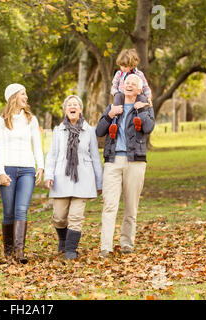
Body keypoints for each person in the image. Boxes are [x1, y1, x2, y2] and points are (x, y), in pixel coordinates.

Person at [96, 74, 155, 258]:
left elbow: (148, 128)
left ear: (139, 90)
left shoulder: (145, 107)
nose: (129, 86)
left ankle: (127, 243)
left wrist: (143, 110)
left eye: (133, 84)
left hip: (135, 161)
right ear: (122, 87)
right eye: (126, 83)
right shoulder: (113, 106)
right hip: (113, 161)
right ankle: (106, 247)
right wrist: (109, 115)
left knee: (131, 206)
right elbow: (99, 131)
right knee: (109, 205)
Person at [44, 95, 103, 259]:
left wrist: (100, 182)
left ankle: (70, 250)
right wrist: (48, 175)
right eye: (69, 104)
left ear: (80, 109)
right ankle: (63, 241)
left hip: (83, 178)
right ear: (65, 110)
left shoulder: (89, 131)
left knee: (76, 217)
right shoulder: (58, 131)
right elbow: (52, 155)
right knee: (59, 217)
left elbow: (95, 157)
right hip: (61, 177)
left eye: (75, 104)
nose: (72, 106)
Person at [0, 83, 44, 264]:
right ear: (14, 96)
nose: (26, 97)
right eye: (23, 93)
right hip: (8, 169)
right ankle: (8, 251)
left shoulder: (31, 119)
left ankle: (19, 251)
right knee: (8, 212)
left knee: (21, 209)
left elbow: (37, 145)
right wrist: (0, 172)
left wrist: (41, 166)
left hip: (27, 169)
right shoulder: (0, 121)